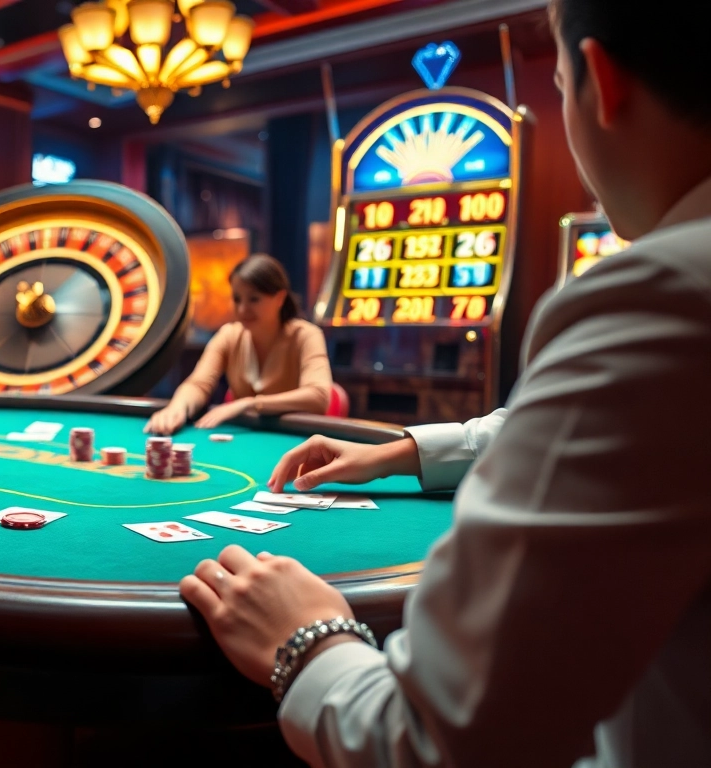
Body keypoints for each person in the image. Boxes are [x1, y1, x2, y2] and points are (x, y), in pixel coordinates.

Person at [178, 0, 711, 765]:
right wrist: (398, 451)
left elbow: (437, 741)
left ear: (601, 80)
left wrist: (309, 637)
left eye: (557, 84)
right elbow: (629, 429)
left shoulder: (658, 293)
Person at [146, 254, 331, 435]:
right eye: (237, 299)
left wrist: (251, 403)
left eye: (254, 299)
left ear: (280, 298)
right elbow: (199, 384)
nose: (243, 310)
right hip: (243, 438)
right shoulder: (229, 335)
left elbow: (318, 396)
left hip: (295, 441)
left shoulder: (307, 336)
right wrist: (177, 408)